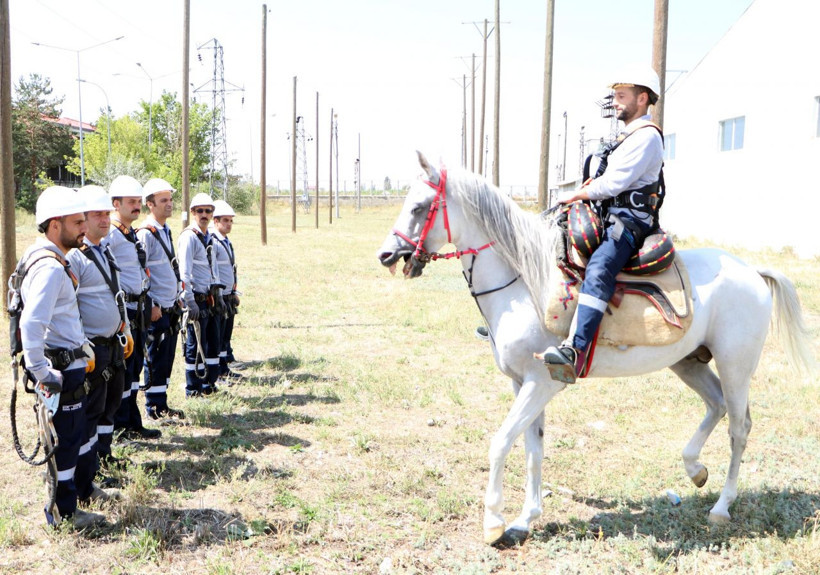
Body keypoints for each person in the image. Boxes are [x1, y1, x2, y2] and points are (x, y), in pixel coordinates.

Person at [540, 66, 665, 384]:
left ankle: (575, 351)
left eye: (622, 96)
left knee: (597, 270)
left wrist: (577, 194)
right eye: (616, 96)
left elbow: (613, 183)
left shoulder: (647, 137)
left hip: (630, 224)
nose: (616, 102)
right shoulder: (626, 137)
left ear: (642, 98)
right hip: (606, 216)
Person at [19, 186, 102, 528]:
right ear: (55, 225)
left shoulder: (44, 257)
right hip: (61, 370)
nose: (85, 227)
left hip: (69, 364)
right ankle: (63, 512)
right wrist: (42, 372)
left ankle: (79, 491)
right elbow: (31, 324)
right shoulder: (50, 268)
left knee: (74, 435)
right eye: (77, 221)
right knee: (65, 442)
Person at [67, 186, 131, 502]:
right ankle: (86, 482)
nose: (105, 219)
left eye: (107, 213)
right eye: (97, 214)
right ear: (83, 218)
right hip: (92, 349)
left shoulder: (105, 250)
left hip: (113, 343)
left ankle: (102, 460)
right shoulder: (75, 258)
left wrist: (126, 328)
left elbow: (115, 294)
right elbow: (68, 308)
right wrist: (82, 345)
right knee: (90, 416)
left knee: (109, 408)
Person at [108, 175, 161, 440]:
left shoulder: (130, 232)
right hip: (125, 309)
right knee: (125, 370)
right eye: (131, 202)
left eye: (138, 201)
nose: (136, 206)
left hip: (139, 307)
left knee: (135, 368)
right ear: (115, 204)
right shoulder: (111, 234)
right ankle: (121, 425)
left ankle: (132, 422)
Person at [137, 178, 186, 420]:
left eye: (170, 199)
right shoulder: (146, 234)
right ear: (150, 205)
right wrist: (152, 304)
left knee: (166, 357)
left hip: (170, 306)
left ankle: (162, 402)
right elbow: (140, 273)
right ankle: (154, 407)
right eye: (163, 200)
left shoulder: (165, 230)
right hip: (157, 309)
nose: (170, 204)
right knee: (155, 357)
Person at [178, 193, 222, 396]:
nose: (204, 214)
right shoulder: (189, 237)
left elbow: (212, 268)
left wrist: (218, 293)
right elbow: (184, 272)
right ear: (193, 213)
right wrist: (188, 300)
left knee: (208, 343)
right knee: (194, 345)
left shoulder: (209, 237)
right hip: (195, 298)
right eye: (200, 211)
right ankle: (192, 388)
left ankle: (207, 384)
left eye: (208, 211)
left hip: (208, 298)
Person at [209, 199, 242, 384]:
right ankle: (218, 371)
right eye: (225, 220)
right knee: (218, 336)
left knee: (225, 336)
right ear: (215, 221)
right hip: (219, 297)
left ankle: (224, 367)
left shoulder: (225, 241)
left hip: (229, 295)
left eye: (230, 221)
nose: (228, 224)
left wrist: (234, 291)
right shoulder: (214, 241)